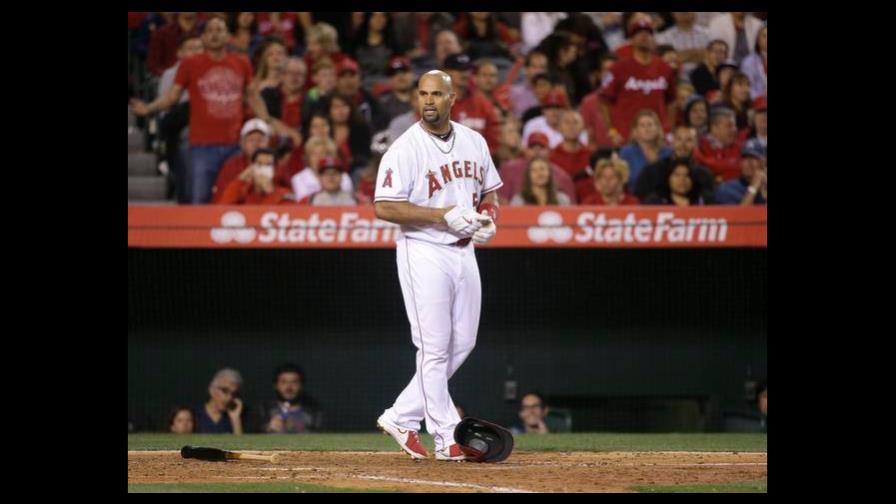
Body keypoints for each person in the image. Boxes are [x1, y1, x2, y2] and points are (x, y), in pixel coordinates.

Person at [374, 70, 503, 462]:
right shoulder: (405, 147)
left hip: (464, 252)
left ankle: (400, 415)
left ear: (452, 98)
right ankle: (446, 435)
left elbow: (490, 192)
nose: (428, 101)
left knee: (463, 342)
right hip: (423, 249)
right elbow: (384, 206)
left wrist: (488, 219)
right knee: (432, 347)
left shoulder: (473, 141)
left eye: (436, 94)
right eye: (423, 94)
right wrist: (443, 215)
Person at [130, 16, 286, 204]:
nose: (214, 35)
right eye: (210, 31)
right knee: (200, 199)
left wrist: (267, 122)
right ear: (202, 37)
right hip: (201, 146)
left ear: (228, 36)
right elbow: (173, 96)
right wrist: (149, 108)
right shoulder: (190, 64)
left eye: (219, 30)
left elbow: (252, 95)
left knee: (236, 194)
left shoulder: (242, 62)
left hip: (234, 145)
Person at [598, 18, 677, 140]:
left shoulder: (665, 68)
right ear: (631, 40)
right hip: (626, 136)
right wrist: (612, 130)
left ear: (653, 39)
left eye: (648, 33)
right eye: (638, 33)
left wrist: (668, 128)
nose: (644, 36)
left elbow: (672, 101)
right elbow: (604, 100)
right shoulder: (618, 68)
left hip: (657, 136)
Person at [635, 125, 715, 203]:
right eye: (679, 139)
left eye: (688, 140)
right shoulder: (652, 171)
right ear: (672, 141)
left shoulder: (705, 175)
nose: (683, 145)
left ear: (695, 144)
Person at [443, 53, 501, 153]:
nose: (464, 74)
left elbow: (493, 138)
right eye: (459, 70)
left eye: (466, 70)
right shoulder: (438, 104)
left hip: (478, 163)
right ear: (446, 73)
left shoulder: (483, 104)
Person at [497, 132, 576, 205]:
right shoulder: (509, 170)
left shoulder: (562, 178)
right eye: (532, 147)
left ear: (550, 151)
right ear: (526, 150)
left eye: (541, 147)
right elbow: (503, 204)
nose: (536, 151)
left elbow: (572, 211)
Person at [212, 118, 272, 202]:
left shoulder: (278, 166)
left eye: (260, 140)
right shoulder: (231, 166)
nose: (256, 144)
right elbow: (220, 202)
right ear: (242, 143)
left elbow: (290, 202)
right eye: (251, 140)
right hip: (238, 212)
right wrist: (241, 180)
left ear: (268, 143)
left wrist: (271, 191)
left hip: (270, 212)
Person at [619, 109, 674, 191]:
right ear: (636, 131)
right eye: (642, 125)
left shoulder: (668, 152)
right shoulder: (626, 152)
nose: (647, 129)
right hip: (635, 199)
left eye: (650, 125)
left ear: (657, 128)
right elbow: (621, 181)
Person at [259, 363, 323, 433]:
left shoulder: (313, 410)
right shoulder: (265, 409)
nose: (289, 387)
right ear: (276, 385)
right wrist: (267, 428)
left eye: (294, 382)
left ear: (301, 385)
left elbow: (321, 434)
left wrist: (295, 427)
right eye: (283, 382)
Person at [217, 148, 296, 204]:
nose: (263, 169)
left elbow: (290, 214)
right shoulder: (243, 192)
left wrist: (271, 192)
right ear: (251, 167)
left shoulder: (284, 194)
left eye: (268, 165)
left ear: (274, 170)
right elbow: (223, 208)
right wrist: (241, 179)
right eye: (259, 164)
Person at [290, 136, 355, 203]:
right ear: (307, 158)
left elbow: (349, 199)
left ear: (330, 155)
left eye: (322, 153)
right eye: (314, 154)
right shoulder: (299, 178)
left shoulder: (344, 177)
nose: (318, 157)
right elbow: (304, 204)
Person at [693, 106, 743, 184]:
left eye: (735, 125)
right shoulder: (701, 146)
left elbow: (744, 170)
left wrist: (723, 177)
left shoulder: (740, 147)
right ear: (714, 128)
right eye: (729, 126)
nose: (734, 129)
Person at [195, 368, 245, 434]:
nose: (230, 397)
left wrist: (235, 420)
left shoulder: (238, 417)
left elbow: (241, 443)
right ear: (211, 390)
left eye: (234, 393)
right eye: (225, 391)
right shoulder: (194, 415)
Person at [643, 158, 707, 206]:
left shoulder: (704, 200)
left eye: (687, 175)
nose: (682, 179)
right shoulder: (654, 202)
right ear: (668, 178)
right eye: (677, 175)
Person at [510, 50, 549, 118]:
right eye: (534, 67)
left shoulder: (552, 92)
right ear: (526, 69)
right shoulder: (514, 92)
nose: (539, 71)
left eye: (542, 67)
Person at [379, 56, 416, 124]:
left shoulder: (424, 100)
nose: (400, 76)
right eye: (394, 73)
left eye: (404, 71)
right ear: (388, 80)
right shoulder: (383, 105)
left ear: (413, 75)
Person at [740, 25, 767, 99]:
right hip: (758, 103)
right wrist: (761, 98)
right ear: (758, 40)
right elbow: (748, 86)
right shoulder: (748, 62)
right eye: (764, 36)